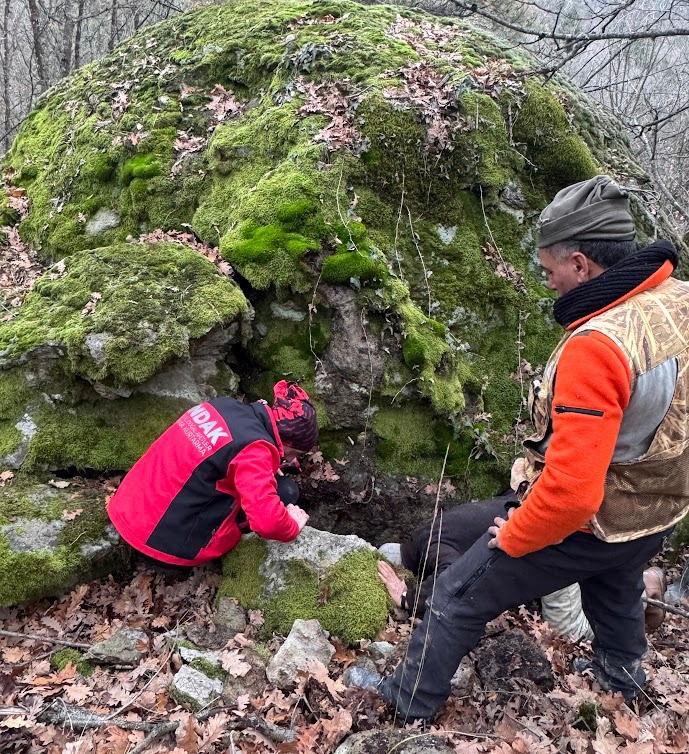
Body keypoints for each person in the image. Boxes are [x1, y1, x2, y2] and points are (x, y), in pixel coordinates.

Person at [348, 174, 689, 718]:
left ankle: (403, 704)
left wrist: (516, 535)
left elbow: (573, 496)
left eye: (550, 268)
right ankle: (623, 682)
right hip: (657, 508)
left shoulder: (598, 347)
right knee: (616, 582)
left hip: (589, 517)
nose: (548, 281)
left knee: (457, 596)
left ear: (580, 264)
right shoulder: (676, 300)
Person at [107, 381, 318, 566]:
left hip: (129, 508)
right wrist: (291, 526)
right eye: (294, 453)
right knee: (286, 492)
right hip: (161, 544)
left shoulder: (223, 406)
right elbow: (268, 522)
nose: (291, 460)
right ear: (286, 440)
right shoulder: (255, 449)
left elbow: (220, 457)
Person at [377, 510, 668, 641]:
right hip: (558, 534)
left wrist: (407, 597)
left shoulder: (432, 539)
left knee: (584, 613)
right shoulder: (436, 535)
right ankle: (645, 608)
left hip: (558, 540)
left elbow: (449, 581)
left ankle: (645, 606)